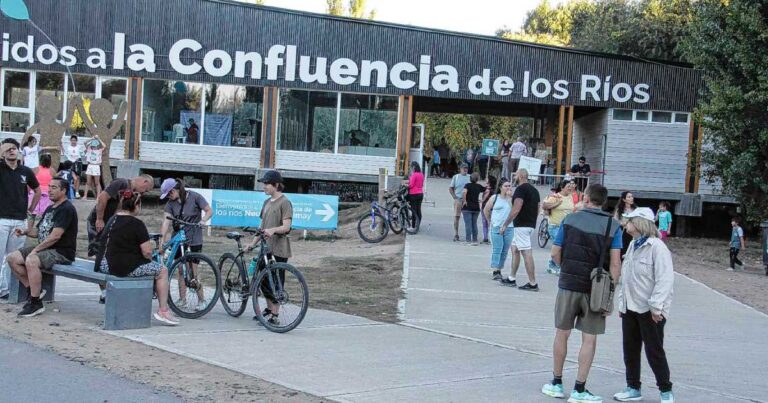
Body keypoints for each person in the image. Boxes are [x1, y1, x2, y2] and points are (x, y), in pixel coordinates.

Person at [541, 184, 623, 403]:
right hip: (595, 289)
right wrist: (610, 294)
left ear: (586, 198)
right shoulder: (613, 226)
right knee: (589, 338)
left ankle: (556, 383)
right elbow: (615, 264)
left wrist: (566, 268)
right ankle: (579, 389)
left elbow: (555, 252)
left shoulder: (569, 220)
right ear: (603, 202)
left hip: (568, 284)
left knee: (562, 332)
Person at [613, 207, 675, 403]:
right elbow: (626, 276)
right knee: (630, 350)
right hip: (630, 307)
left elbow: (664, 280)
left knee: (654, 351)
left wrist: (656, 307)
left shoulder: (657, 247)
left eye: (630, 221)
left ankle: (665, 390)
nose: (626, 224)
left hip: (650, 310)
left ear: (640, 223)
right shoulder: (633, 244)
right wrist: (622, 304)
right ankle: (633, 387)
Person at [94, 190, 179, 326]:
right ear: (136, 205)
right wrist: (149, 256)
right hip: (120, 266)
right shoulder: (137, 224)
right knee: (162, 271)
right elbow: (147, 252)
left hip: (103, 264)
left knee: (149, 267)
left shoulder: (112, 219)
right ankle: (163, 310)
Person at [7, 178, 77, 317]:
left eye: (54, 187)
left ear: (64, 191)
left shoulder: (66, 209)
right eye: (49, 186)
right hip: (47, 249)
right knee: (12, 258)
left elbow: (55, 236)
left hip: (61, 251)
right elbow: (39, 232)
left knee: (31, 260)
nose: (49, 190)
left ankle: (35, 303)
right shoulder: (50, 208)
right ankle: (35, 292)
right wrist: (25, 231)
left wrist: (36, 250)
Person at [87, 174, 155, 303]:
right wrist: (99, 219)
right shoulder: (122, 183)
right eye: (145, 190)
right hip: (99, 223)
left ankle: (111, 289)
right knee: (100, 254)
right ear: (144, 181)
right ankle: (104, 292)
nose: (143, 193)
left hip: (111, 223)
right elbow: (102, 197)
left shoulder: (129, 192)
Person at [159, 178, 213, 311]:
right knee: (180, 269)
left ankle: (202, 300)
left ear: (174, 190)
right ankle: (182, 299)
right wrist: (162, 241)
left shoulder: (195, 197)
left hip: (194, 238)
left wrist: (203, 220)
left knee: (193, 271)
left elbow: (209, 211)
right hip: (178, 239)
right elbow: (166, 222)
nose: (168, 197)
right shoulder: (170, 204)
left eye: (169, 194)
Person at [247, 170, 293, 324]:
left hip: (279, 248)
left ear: (276, 184)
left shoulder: (285, 202)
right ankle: (268, 309)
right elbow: (262, 227)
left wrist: (273, 230)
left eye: (266, 184)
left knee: (277, 282)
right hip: (265, 248)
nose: (264, 186)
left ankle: (275, 314)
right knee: (263, 281)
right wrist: (252, 243)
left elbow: (286, 227)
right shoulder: (266, 202)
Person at [0, 139, 41, 300]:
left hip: (19, 220)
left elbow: (37, 191)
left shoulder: (25, 171)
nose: (12, 151)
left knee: (13, 257)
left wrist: (31, 209)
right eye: (8, 149)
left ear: (19, 151)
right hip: (1, 219)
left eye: (14, 148)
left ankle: (8, 290)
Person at [500, 169, 541, 291]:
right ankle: (511, 278)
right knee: (515, 249)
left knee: (526, 253)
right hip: (529, 224)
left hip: (522, 225)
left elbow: (516, 208)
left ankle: (533, 283)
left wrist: (505, 224)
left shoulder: (520, 189)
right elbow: (538, 208)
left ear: (521, 176)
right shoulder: (534, 190)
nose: (515, 177)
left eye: (516, 175)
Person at [542, 179, 576, 275]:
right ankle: (557, 266)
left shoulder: (570, 196)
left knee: (562, 247)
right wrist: (557, 203)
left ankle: (552, 265)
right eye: (568, 186)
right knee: (559, 247)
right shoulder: (555, 196)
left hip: (566, 227)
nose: (570, 188)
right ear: (562, 187)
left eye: (571, 186)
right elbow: (545, 206)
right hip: (555, 226)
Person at [484, 178, 513, 280]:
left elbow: (514, 210)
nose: (508, 188)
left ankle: (500, 268)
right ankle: (496, 270)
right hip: (497, 227)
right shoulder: (494, 198)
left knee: (505, 250)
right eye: (506, 186)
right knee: (497, 249)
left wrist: (510, 198)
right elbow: (486, 209)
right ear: (500, 187)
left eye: (509, 186)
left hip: (509, 227)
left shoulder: (512, 199)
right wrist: (489, 221)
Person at [28, 154, 57, 226]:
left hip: (35, 192)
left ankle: (29, 228)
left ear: (40, 160)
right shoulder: (52, 171)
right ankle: (43, 229)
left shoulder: (35, 169)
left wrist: (27, 192)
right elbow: (56, 182)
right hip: (47, 194)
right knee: (45, 213)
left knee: (32, 213)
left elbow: (29, 182)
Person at [449, 163, 471, 242]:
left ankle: (468, 235)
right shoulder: (456, 177)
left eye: (466, 168)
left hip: (467, 200)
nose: (465, 169)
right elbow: (451, 188)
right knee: (456, 217)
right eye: (464, 168)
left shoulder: (470, 177)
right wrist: (454, 196)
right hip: (458, 199)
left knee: (468, 218)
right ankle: (456, 234)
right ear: (460, 169)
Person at [461, 173, 485, 245]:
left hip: (467, 207)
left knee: (468, 224)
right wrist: (483, 199)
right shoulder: (479, 186)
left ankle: (468, 240)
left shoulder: (467, 185)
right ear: (477, 179)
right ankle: (475, 240)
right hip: (476, 207)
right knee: (474, 224)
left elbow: (464, 192)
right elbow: (486, 190)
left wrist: (464, 200)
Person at [614, 191, 637, 258]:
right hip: (623, 232)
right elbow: (615, 221)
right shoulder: (619, 210)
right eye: (629, 197)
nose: (631, 198)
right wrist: (622, 223)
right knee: (623, 251)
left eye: (632, 196)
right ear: (624, 199)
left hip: (634, 233)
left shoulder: (636, 209)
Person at [83, 135, 106, 200]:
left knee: (97, 182)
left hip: (96, 166)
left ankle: (98, 196)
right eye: (93, 145)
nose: (94, 147)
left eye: (95, 145)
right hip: (90, 165)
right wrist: (91, 139)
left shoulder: (99, 150)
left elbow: (104, 146)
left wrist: (98, 139)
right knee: (88, 182)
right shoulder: (89, 149)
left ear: (97, 146)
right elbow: (84, 142)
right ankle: (85, 196)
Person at [480, 175, 498, 244]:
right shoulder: (495, 190)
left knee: (485, 223)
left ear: (489, 182)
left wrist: (481, 201)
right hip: (492, 208)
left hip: (485, 207)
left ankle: (486, 238)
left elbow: (483, 199)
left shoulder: (487, 189)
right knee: (491, 223)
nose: (486, 180)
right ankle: (491, 237)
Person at [407, 162, 424, 230]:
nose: (411, 169)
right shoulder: (421, 174)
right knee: (418, 210)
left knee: (413, 210)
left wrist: (406, 185)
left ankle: (413, 226)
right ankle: (418, 225)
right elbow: (421, 184)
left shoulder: (414, 175)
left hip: (413, 194)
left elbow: (411, 185)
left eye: (411, 167)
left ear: (413, 167)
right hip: (420, 194)